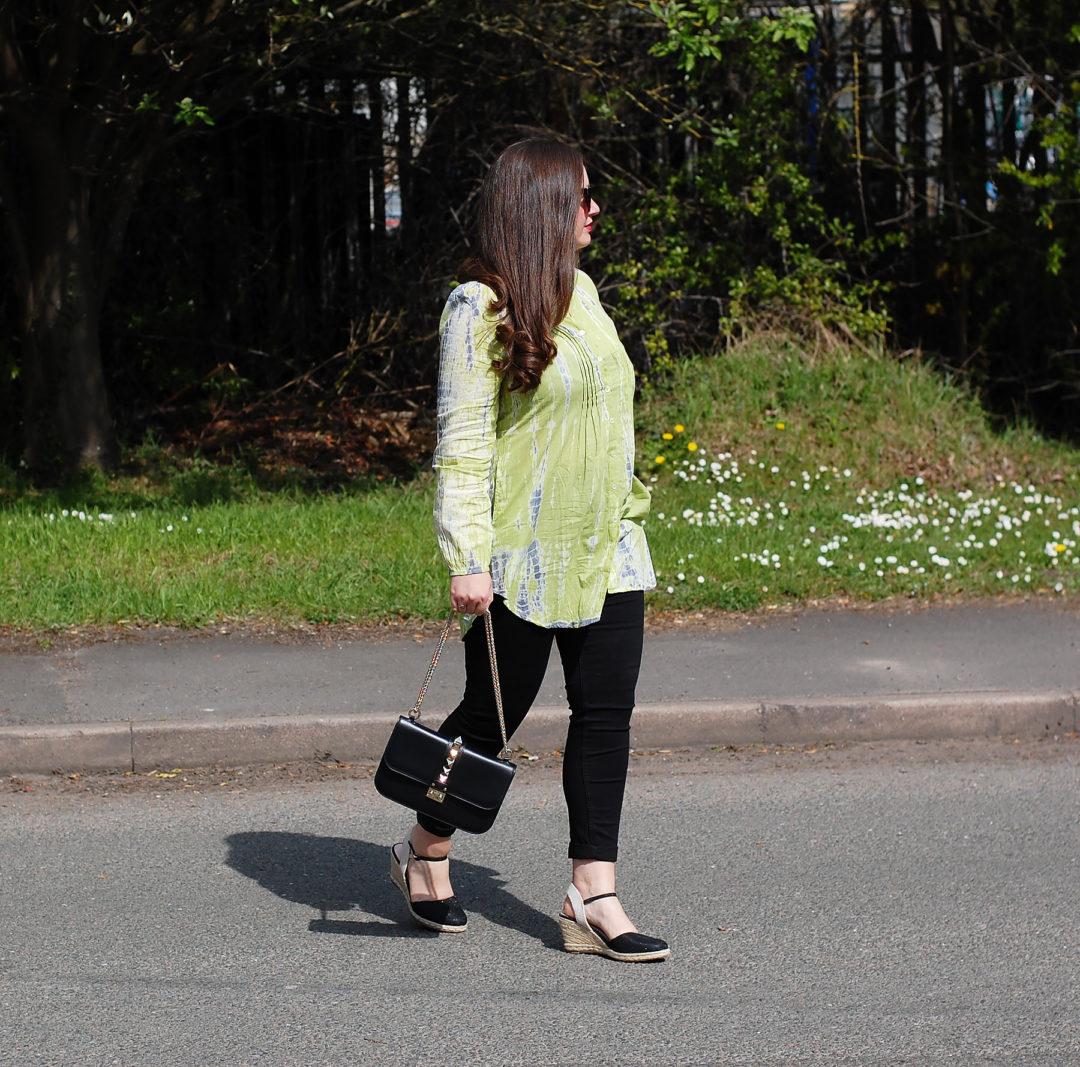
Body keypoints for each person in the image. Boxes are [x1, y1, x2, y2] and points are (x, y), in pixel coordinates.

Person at [389, 138, 669, 963]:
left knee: (605, 711)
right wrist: (466, 555)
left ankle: (594, 892)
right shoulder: (477, 307)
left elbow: (609, 416)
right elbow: (465, 442)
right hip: (520, 555)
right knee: (492, 717)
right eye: (581, 197)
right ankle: (425, 848)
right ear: (541, 206)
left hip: (609, 546)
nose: (594, 211)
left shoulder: (584, 294)